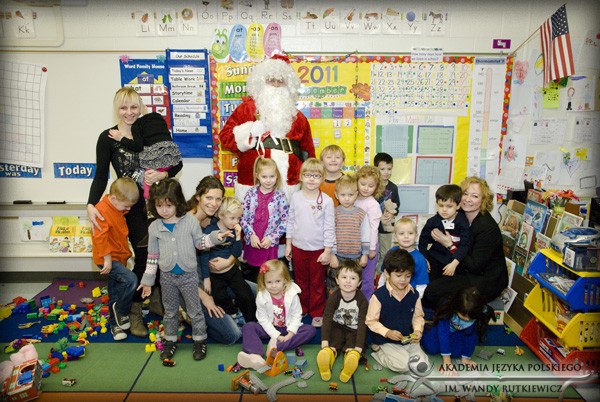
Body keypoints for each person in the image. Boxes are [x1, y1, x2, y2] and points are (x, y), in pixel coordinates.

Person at [87, 87, 182, 338]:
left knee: (162, 254)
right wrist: (90, 204)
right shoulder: (108, 137)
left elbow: (174, 161)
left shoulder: (148, 128)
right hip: (130, 208)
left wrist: (163, 174)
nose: (129, 112)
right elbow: (100, 175)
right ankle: (135, 309)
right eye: (123, 107)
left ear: (140, 107)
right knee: (144, 257)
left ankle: (157, 300)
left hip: (157, 205)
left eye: (134, 107)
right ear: (116, 109)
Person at [138, 179, 229, 361]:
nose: (164, 210)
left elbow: (200, 243)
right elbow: (152, 256)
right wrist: (147, 281)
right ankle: (170, 341)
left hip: (188, 276)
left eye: (169, 205)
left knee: (195, 311)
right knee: (170, 311)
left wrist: (215, 237)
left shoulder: (190, 222)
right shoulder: (154, 227)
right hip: (167, 277)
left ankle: (199, 340)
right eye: (159, 206)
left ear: (177, 202)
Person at [219, 54, 315, 202]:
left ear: (288, 85)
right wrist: (249, 131)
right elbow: (225, 138)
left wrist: (309, 183)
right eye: (271, 80)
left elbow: (309, 154)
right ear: (261, 82)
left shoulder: (299, 118)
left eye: (281, 81)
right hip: (252, 180)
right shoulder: (246, 109)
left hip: (289, 182)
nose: (276, 84)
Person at [423, 177, 508, 308]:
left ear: (483, 200)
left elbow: (475, 266)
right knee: (424, 277)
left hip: (484, 279)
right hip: (463, 267)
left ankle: (449, 317)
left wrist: (450, 245)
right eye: (465, 194)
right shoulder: (458, 213)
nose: (468, 199)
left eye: (475, 196)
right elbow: (433, 233)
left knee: (432, 291)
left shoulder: (487, 228)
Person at [187, 176, 245, 344]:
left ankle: (228, 304)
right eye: (209, 198)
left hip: (220, 277)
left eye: (218, 199)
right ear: (198, 197)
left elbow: (234, 247)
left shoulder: (216, 218)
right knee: (232, 334)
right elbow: (179, 272)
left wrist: (230, 261)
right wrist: (206, 298)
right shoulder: (186, 223)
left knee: (258, 293)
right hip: (194, 285)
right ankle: (191, 316)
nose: (214, 203)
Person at [237, 259, 317, 370]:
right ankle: (255, 356)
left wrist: (290, 334)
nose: (274, 286)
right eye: (269, 282)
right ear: (263, 282)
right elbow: (263, 319)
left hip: (287, 327)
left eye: (278, 281)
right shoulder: (261, 296)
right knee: (248, 327)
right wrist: (276, 335)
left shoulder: (292, 294)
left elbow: (296, 315)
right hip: (269, 327)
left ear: (285, 280)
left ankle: (276, 347)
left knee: (310, 330)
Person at [285, 158, 335, 327]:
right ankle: (302, 308)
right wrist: (288, 244)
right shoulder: (296, 197)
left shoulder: (327, 201)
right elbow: (290, 221)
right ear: (301, 177)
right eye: (308, 175)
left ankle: (317, 311)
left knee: (317, 283)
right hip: (298, 247)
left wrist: (328, 251)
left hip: (318, 250)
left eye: (316, 176)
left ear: (322, 178)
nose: (312, 179)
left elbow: (329, 227)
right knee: (300, 281)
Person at [91, 177, 140, 341]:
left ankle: (115, 326)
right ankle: (121, 311)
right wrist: (107, 259)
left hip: (119, 256)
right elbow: (100, 237)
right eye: (126, 206)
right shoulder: (101, 211)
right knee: (131, 280)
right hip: (107, 259)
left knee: (115, 291)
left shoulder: (116, 207)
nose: (128, 209)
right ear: (113, 198)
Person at [365, 248, 428, 373]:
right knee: (403, 366)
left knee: (422, 366)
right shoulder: (379, 296)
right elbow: (371, 321)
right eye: (398, 275)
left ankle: (402, 354)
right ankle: (378, 350)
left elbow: (418, 317)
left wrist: (417, 331)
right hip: (386, 340)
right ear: (387, 274)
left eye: (408, 276)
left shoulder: (414, 295)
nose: (403, 280)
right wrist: (387, 332)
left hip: (407, 339)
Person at [200, 196, 256, 324]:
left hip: (232, 271)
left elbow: (236, 253)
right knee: (219, 296)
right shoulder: (209, 231)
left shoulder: (234, 230)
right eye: (232, 218)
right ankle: (233, 313)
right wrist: (206, 278)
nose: (236, 222)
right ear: (221, 215)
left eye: (238, 218)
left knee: (245, 294)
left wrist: (238, 236)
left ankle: (251, 321)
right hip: (215, 275)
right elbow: (203, 256)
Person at [421, 286, 496, 376]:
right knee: (431, 349)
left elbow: (471, 336)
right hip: (440, 329)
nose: (467, 319)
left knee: (456, 354)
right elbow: (443, 332)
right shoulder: (448, 308)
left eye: (470, 318)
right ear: (456, 308)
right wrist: (447, 361)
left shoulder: (478, 312)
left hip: (459, 332)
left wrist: (466, 357)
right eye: (463, 316)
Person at [108, 112, 182, 199]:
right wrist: (164, 174)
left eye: (133, 107)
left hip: (152, 163)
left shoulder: (137, 124)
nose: (129, 112)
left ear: (140, 110)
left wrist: (121, 138)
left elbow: (138, 146)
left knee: (148, 187)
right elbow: (179, 165)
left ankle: (150, 199)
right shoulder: (159, 119)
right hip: (167, 159)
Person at [317, 259, 368, 383]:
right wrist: (324, 341)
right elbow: (327, 318)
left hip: (354, 330)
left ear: (359, 283)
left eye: (353, 278)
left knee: (352, 348)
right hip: (337, 327)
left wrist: (358, 347)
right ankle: (328, 355)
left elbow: (362, 324)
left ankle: (350, 360)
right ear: (337, 280)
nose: (348, 281)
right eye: (344, 277)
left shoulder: (362, 300)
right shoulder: (334, 297)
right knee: (333, 344)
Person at [240, 157, 289, 283]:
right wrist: (251, 235)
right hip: (253, 243)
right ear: (257, 176)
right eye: (264, 177)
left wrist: (271, 238)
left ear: (277, 176)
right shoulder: (250, 194)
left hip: (269, 244)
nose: (268, 180)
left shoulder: (280, 196)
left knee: (269, 276)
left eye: (272, 176)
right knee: (254, 277)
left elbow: (285, 221)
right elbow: (243, 218)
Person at [418, 184, 470, 282]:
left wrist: (454, 263)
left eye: (449, 206)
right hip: (434, 259)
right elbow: (423, 241)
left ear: (458, 205)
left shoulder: (463, 222)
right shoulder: (432, 221)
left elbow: (465, 245)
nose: (444, 209)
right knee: (430, 285)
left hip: (454, 262)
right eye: (441, 205)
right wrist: (424, 258)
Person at [328, 174, 369, 295]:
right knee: (335, 285)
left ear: (356, 195)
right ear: (336, 195)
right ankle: (334, 305)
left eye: (350, 195)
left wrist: (365, 254)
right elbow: (330, 234)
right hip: (338, 256)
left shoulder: (361, 214)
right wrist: (332, 254)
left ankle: (352, 305)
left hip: (355, 257)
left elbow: (365, 235)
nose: (347, 198)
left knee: (353, 284)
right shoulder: (333, 213)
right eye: (343, 195)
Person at [377, 218, 429, 299]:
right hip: (390, 296)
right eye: (401, 233)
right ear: (395, 237)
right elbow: (384, 274)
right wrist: (380, 292)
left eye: (410, 233)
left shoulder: (420, 259)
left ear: (416, 237)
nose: (406, 236)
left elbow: (421, 285)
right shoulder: (391, 252)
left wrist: (414, 300)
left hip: (409, 297)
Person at [354, 165, 383, 300]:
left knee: (366, 279)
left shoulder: (373, 204)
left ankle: (367, 304)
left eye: (371, 186)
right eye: (363, 184)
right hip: (355, 245)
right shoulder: (354, 199)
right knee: (354, 277)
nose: (366, 188)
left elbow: (374, 228)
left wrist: (371, 249)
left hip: (370, 246)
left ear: (376, 188)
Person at [374, 153, 400, 272]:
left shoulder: (393, 187)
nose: (386, 172)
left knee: (384, 254)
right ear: (376, 169)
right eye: (382, 169)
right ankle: (370, 276)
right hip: (372, 226)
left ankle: (379, 276)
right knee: (372, 253)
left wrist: (392, 213)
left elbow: (397, 205)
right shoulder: (372, 186)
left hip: (386, 227)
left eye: (389, 169)